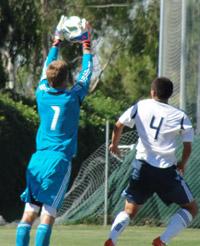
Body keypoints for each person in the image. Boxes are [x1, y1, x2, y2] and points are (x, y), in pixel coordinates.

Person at [16, 17, 93, 246]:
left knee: (28, 213)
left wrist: (56, 42)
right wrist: (87, 45)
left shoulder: (41, 93)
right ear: (67, 79)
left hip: (37, 159)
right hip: (58, 161)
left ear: (48, 79)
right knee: (48, 214)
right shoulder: (72, 98)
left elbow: (45, 70)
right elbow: (86, 74)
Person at [104, 77, 198, 246]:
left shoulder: (141, 106)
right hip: (166, 172)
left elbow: (119, 125)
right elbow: (188, 147)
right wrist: (182, 164)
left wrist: (114, 144)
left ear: (152, 92)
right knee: (191, 208)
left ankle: (112, 238)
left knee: (129, 210)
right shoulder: (180, 116)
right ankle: (162, 240)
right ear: (169, 95)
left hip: (142, 167)